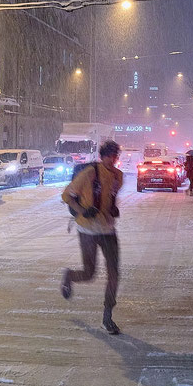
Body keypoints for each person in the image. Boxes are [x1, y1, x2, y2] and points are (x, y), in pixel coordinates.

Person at [60, 140, 124, 335]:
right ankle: (69, 276)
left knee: (114, 273)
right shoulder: (88, 174)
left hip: (108, 230)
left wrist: (111, 208)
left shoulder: (118, 176)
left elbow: (109, 197)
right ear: (101, 156)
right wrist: (82, 210)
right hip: (87, 230)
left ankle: (107, 316)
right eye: (108, 156)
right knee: (90, 273)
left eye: (114, 156)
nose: (111, 160)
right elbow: (66, 196)